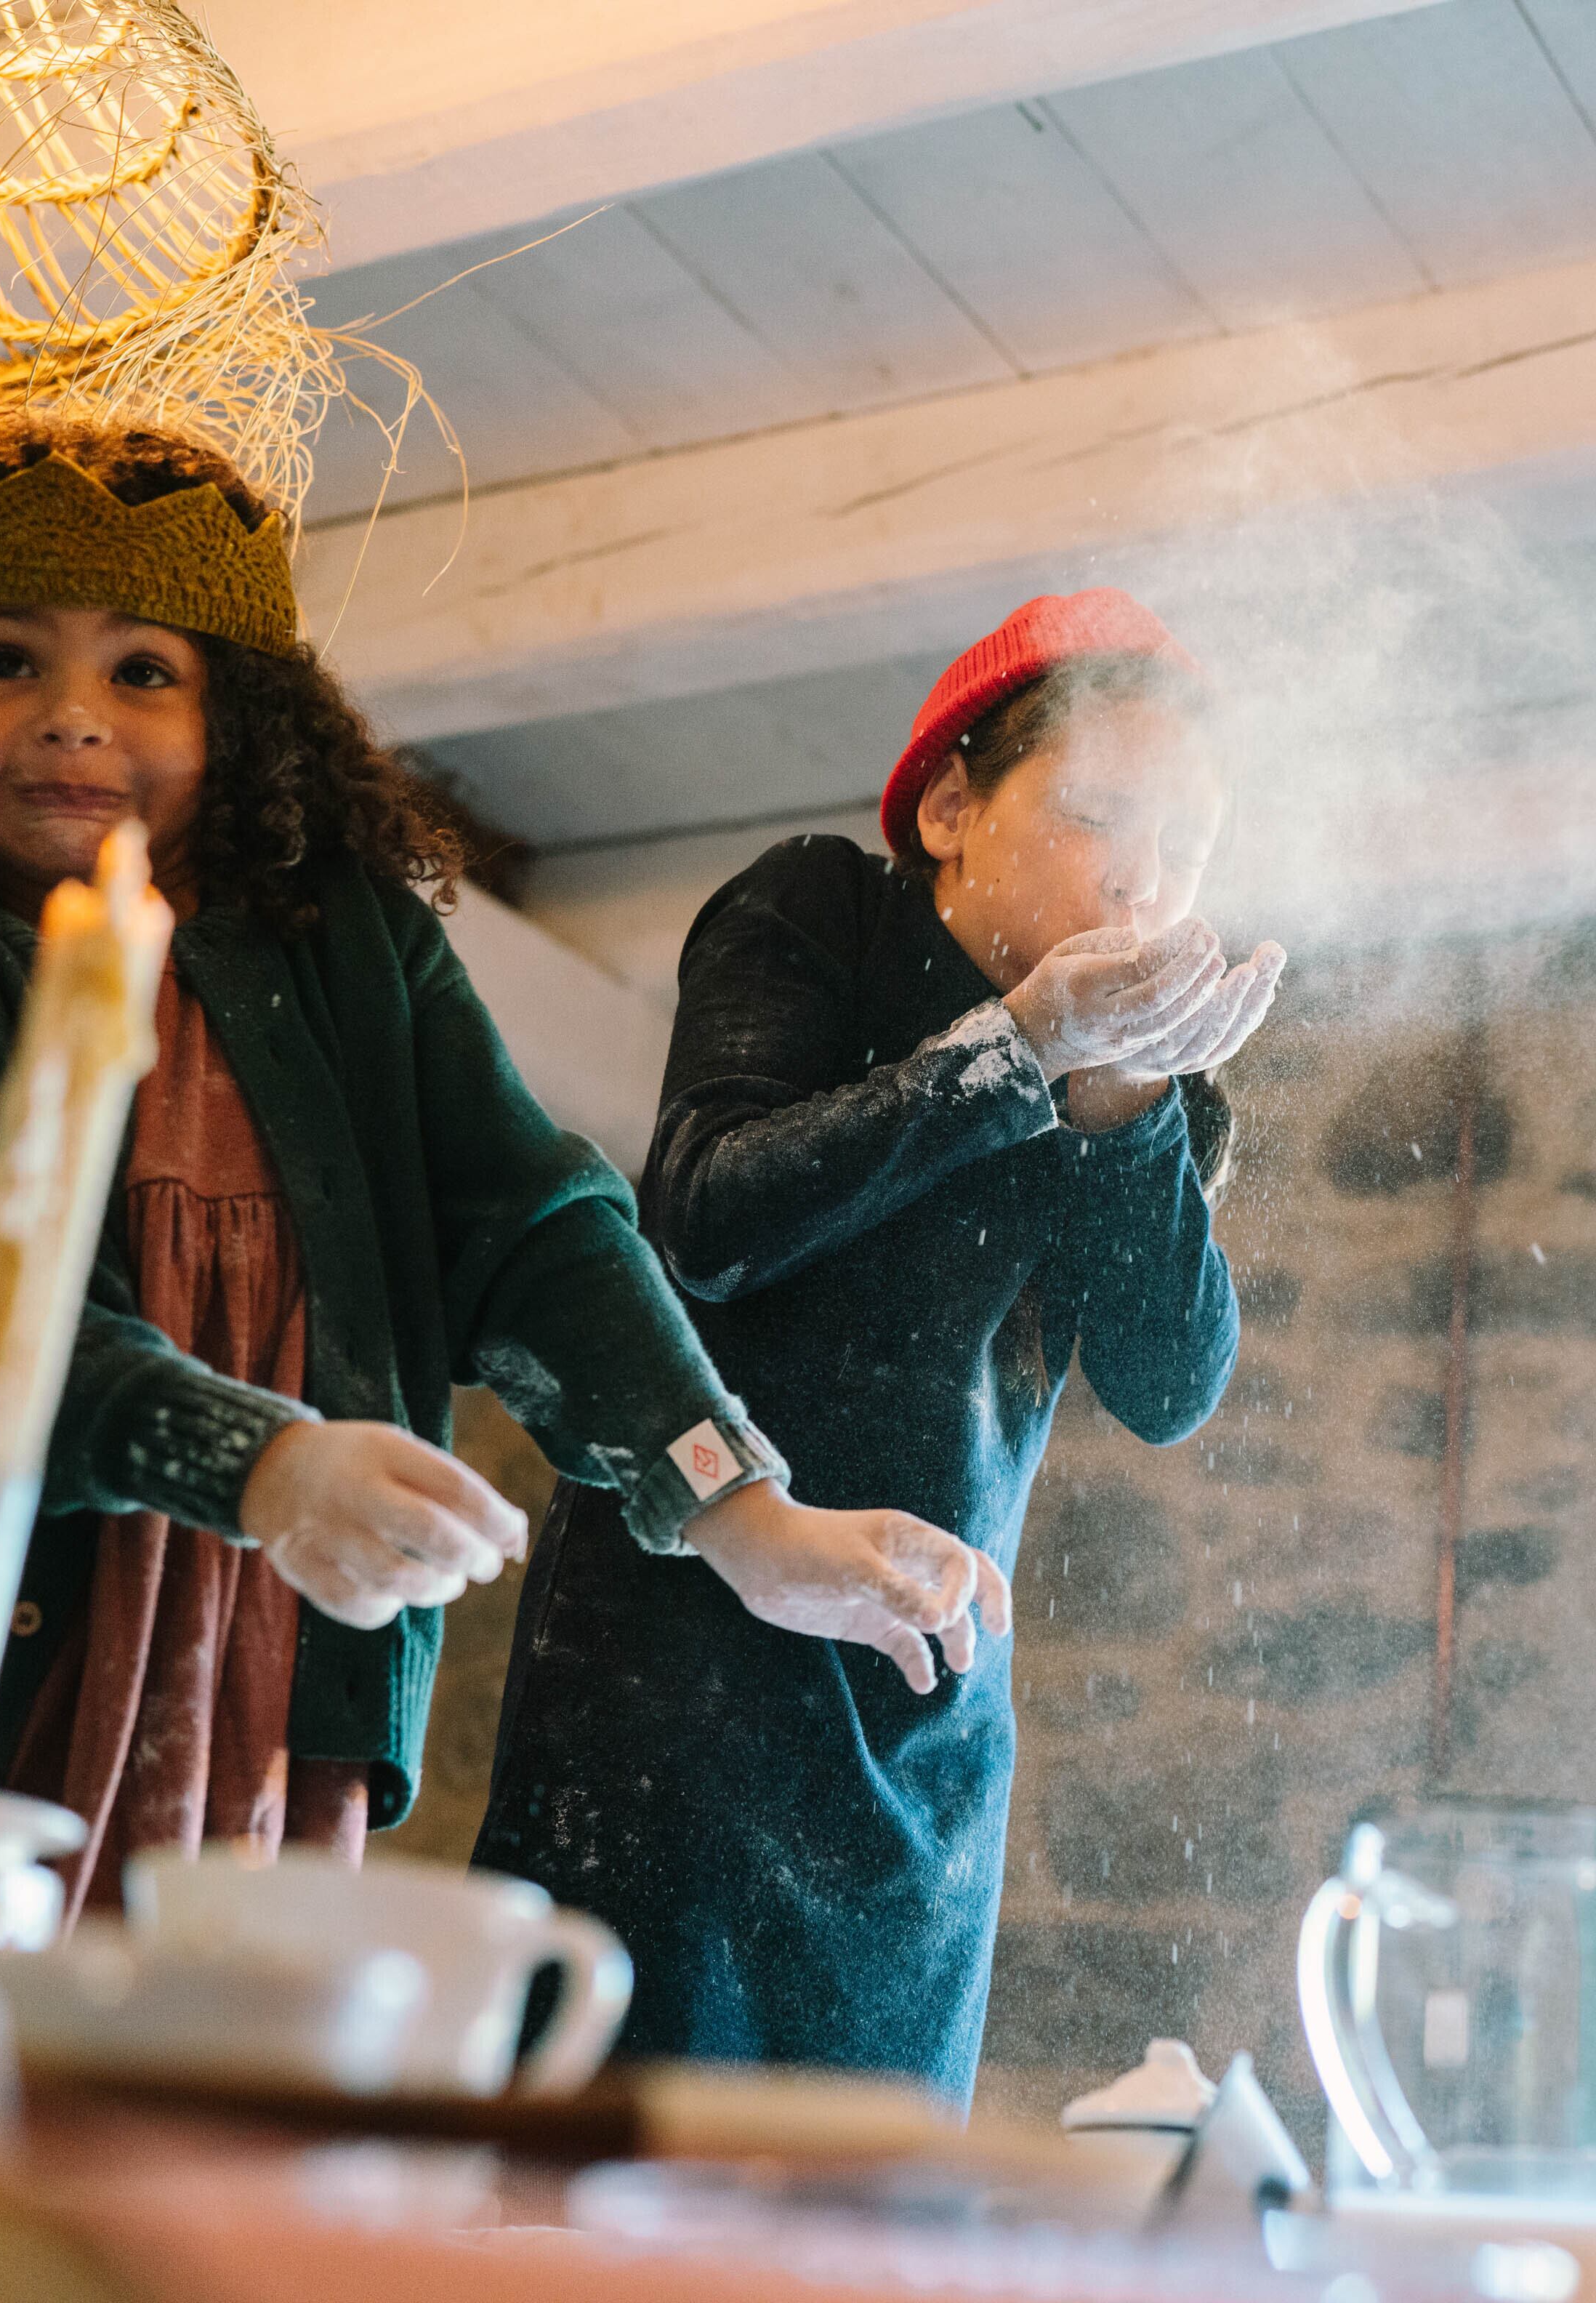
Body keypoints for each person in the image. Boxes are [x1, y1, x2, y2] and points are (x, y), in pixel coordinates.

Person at [0, 419, 996, 1920]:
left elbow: (530, 1224)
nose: (72, 720)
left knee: (197, 2069)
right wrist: (264, 1467)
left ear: (237, 718)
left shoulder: (349, 944)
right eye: (6, 660)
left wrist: (738, 1510)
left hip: (274, 1699)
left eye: (143, 672)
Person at [474, 589, 1282, 2099]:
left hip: (926, 1728)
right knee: (609, 2172)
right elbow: (712, 1218)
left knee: (868, 2198)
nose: (1141, 877)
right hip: (679, 1681)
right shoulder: (820, 911)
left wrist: (1123, 1104)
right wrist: (1017, 1049)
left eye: (1185, 845)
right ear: (950, 809)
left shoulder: (1141, 1096)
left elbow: (1170, 1387)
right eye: (1098, 815)